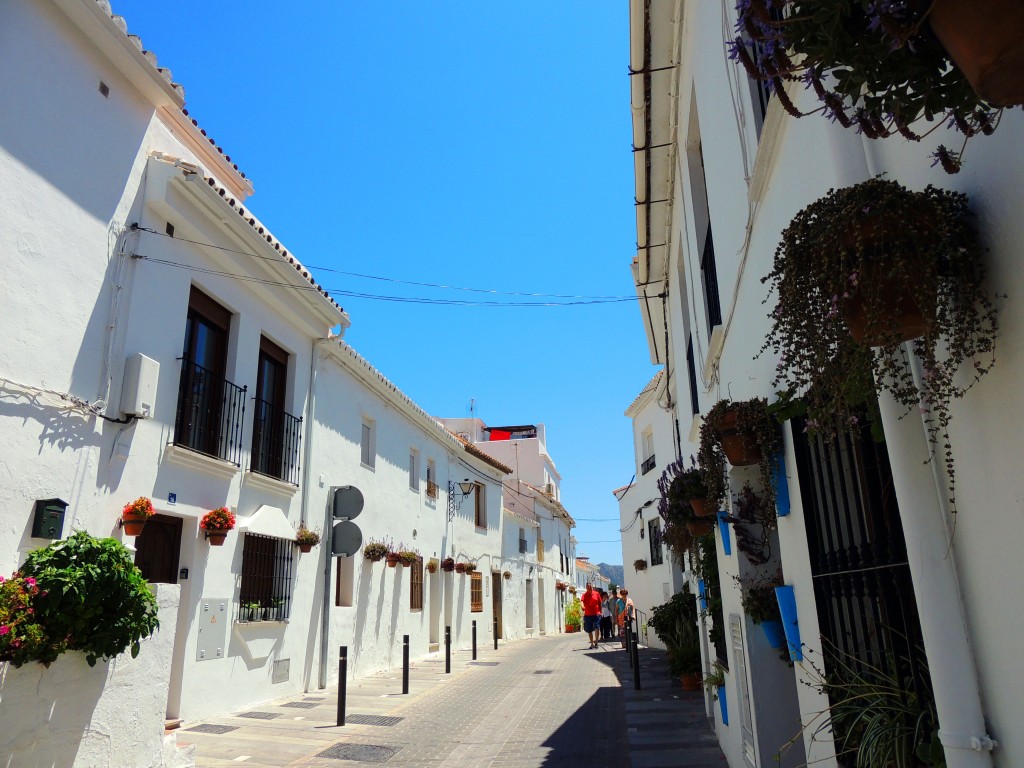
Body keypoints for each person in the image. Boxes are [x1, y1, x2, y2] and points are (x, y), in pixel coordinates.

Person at [580, 582, 603, 649]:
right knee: (589, 630)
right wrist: (582, 606)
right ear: (586, 587)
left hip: (596, 614)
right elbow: (581, 601)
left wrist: (600, 612)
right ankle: (592, 644)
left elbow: (600, 603)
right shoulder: (584, 595)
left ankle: (596, 642)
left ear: (592, 586)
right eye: (588, 586)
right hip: (588, 615)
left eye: (590, 586)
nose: (589, 587)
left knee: (597, 627)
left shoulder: (596, 593)